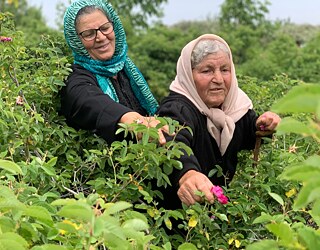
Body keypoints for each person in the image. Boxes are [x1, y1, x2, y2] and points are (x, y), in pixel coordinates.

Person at [156, 34, 281, 209]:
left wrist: (264, 125)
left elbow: (248, 131)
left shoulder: (232, 107)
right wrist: (188, 174)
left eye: (225, 69)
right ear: (188, 76)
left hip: (215, 220)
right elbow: (172, 142)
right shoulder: (177, 109)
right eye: (207, 71)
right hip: (178, 223)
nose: (218, 79)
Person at [60, 0, 168, 144]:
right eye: (89, 34)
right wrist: (127, 118)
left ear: (114, 26)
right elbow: (88, 99)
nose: (101, 37)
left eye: (105, 28)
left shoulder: (126, 70)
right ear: (76, 40)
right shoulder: (75, 79)